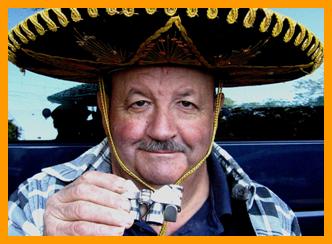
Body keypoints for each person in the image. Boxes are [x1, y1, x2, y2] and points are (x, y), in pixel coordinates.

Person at [8, 8, 323, 236]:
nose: (161, 130)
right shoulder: (37, 202)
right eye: (139, 103)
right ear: (106, 110)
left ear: (215, 111)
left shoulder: (271, 214)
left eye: (186, 104)